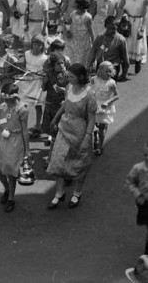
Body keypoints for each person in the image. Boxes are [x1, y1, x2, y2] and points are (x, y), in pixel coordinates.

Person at [46, 63, 97, 209]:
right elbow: (65, 104)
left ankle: (76, 193)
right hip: (64, 128)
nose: (68, 78)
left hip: (80, 132)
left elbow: (92, 118)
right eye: (68, 76)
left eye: (71, 76)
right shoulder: (68, 87)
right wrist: (56, 118)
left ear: (81, 77)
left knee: (79, 164)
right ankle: (59, 193)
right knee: (57, 160)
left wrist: (88, 136)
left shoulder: (89, 95)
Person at [0, 84, 29, 213]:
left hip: (15, 142)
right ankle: (6, 189)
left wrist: (27, 150)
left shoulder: (22, 110)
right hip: (1, 140)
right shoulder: (2, 107)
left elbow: (25, 131)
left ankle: (11, 198)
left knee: (11, 172)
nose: (5, 101)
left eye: (7, 98)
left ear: (14, 97)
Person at [117, 0, 148, 75]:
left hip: (138, 22)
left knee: (137, 44)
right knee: (125, 44)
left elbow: (145, 15)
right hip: (127, 21)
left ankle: (137, 61)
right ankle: (124, 71)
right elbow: (120, 7)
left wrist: (142, 29)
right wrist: (121, 17)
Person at [18, 36, 47, 135]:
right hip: (27, 81)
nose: (36, 46)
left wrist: (40, 74)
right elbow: (22, 65)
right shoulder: (27, 54)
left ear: (42, 46)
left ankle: (38, 126)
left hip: (37, 83)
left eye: (39, 45)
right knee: (23, 103)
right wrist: (26, 71)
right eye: (34, 44)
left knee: (37, 105)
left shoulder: (44, 58)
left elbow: (45, 71)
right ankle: (22, 124)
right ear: (32, 44)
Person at [89, 15, 130, 81]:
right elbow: (93, 52)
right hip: (100, 66)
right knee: (99, 86)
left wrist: (124, 73)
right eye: (110, 28)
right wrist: (89, 65)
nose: (112, 30)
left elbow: (125, 58)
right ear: (105, 26)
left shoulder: (121, 40)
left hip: (113, 68)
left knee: (109, 87)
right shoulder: (100, 37)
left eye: (114, 28)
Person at [91, 62, 118, 156]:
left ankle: (99, 146)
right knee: (93, 125)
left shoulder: (112, 83)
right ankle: (95, 137)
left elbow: (116, 96)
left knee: (102, 128)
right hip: (94, 105)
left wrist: (107, 102)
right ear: (100, 70)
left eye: (111, 71)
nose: (109, 73)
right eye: (107, 71)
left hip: (104, 107)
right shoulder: (93, 79)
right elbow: (89, 90)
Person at [64, 0, 94, 65]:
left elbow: (90, 29)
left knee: (82, 56)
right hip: (73, 38)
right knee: (72, 54)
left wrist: (92, 40)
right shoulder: (73, 13)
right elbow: (68, 22)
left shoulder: (87, 16)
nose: (74, 4)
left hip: (83, 39)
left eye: (76, 3)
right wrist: (67, 30)